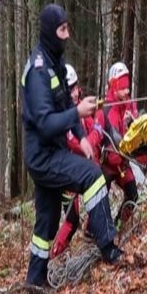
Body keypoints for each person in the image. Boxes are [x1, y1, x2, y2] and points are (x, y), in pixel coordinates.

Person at [22, 3, 122, 286]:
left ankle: (35, 281)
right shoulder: (38, 72)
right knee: (93, 176)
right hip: (43, 157)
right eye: (62, 29)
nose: (68, 35)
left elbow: (66, 102)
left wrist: (80, 137)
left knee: (48, 220)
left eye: (68, 27)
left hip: (54, 151)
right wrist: (77, 114)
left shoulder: (55, 63)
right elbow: (45, 122)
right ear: (51, 32)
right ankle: (108, 248)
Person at [50, 64, 103, 258]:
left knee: (93, 206)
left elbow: (94, 126)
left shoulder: (79, 108)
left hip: (81, 173)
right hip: (65, 175)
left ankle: (91, 236)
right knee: (71, 221)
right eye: (69, 89)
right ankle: (53, 258)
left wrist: (96, 129)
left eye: (75, 88)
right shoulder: (61, 115)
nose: (73, 93)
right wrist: (92, 138)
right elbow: (75, 143)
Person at [97, 62, 139, 227]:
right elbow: (96, 137)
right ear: (113, 86)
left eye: (127, 86)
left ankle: (118, 225)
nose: (127, 91)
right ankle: (91, 231)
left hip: (123, 163)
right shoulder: (104, 110)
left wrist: (132, 122)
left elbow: (136, 128)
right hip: (106, 166)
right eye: (123, 87)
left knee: (133, 195)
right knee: (99, 201)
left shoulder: (129, 104)